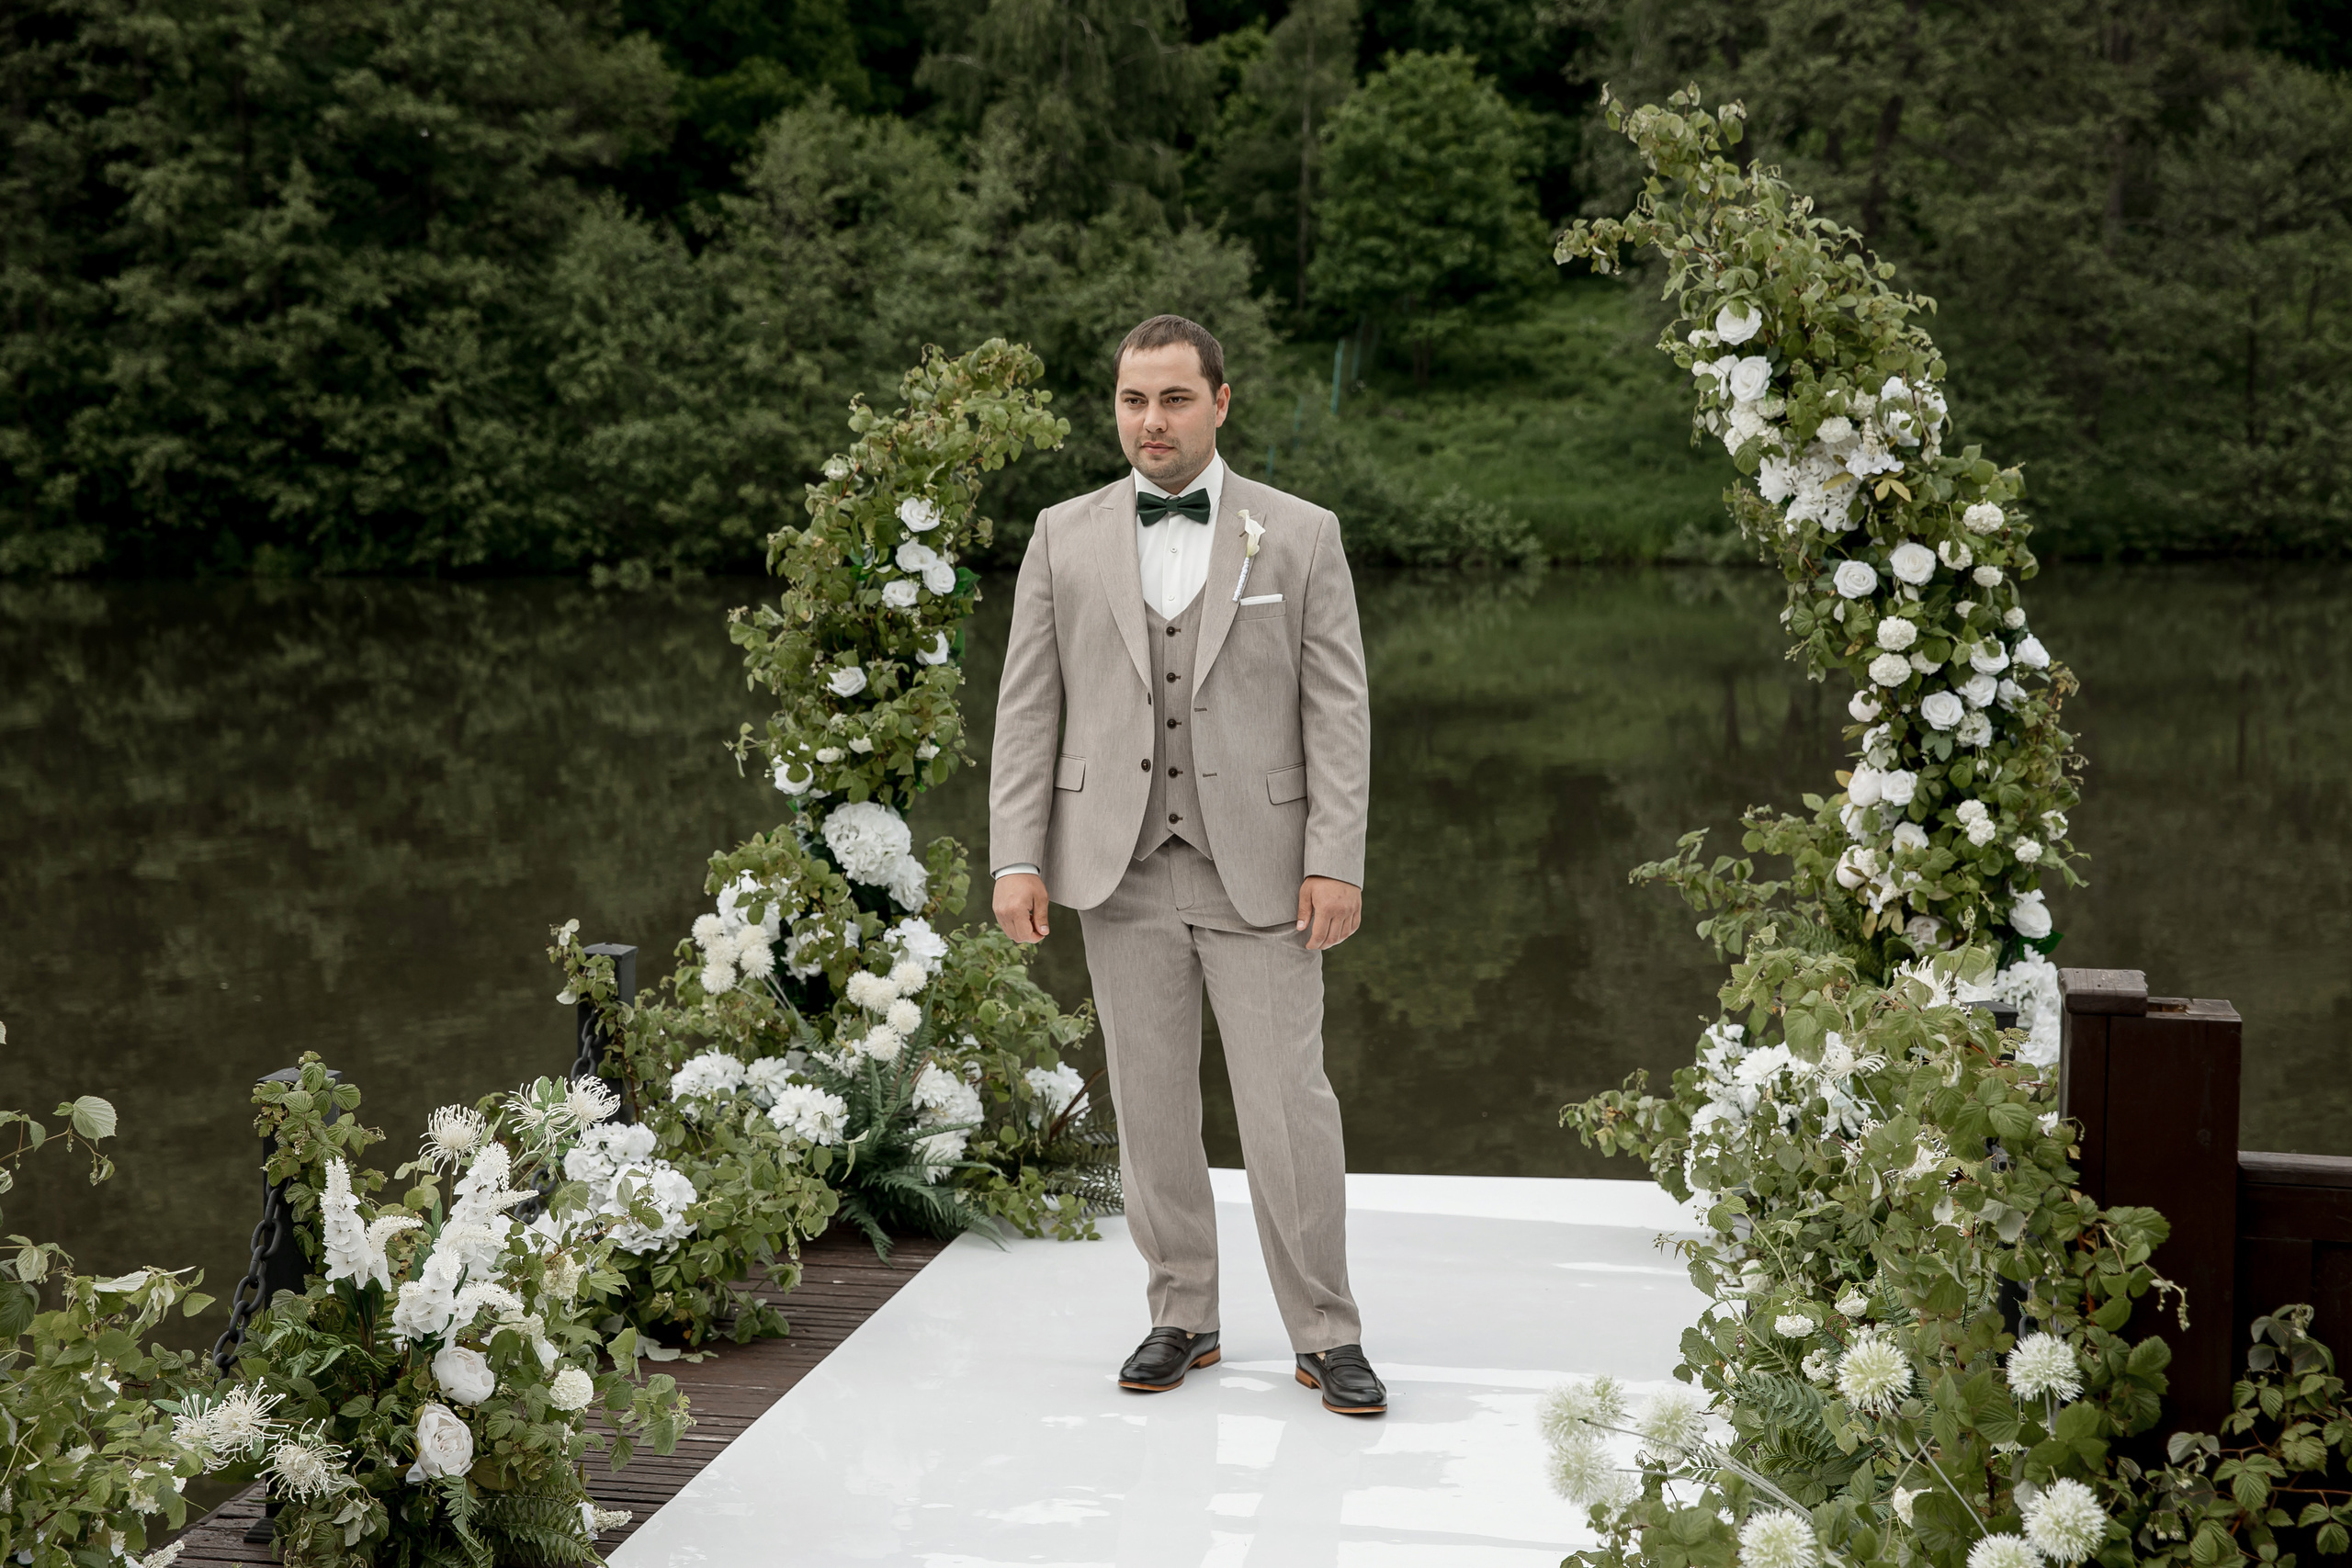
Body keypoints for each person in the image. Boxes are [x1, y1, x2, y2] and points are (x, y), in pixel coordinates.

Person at [987, 314, 1384, 1416]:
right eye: (1130, 400)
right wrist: (1017, 854)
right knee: (1149, 1103)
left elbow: (1336, 712)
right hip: (1115, 866)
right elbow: (1027, 711)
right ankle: (1182, 1313)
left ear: (1220, 400)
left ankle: (1325, 1331)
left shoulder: (1297, 534)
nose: (1148, 422)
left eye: (1170, 399)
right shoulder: (1061, 534)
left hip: (1260, 867)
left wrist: (1334, 858)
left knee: (1286, 1107)